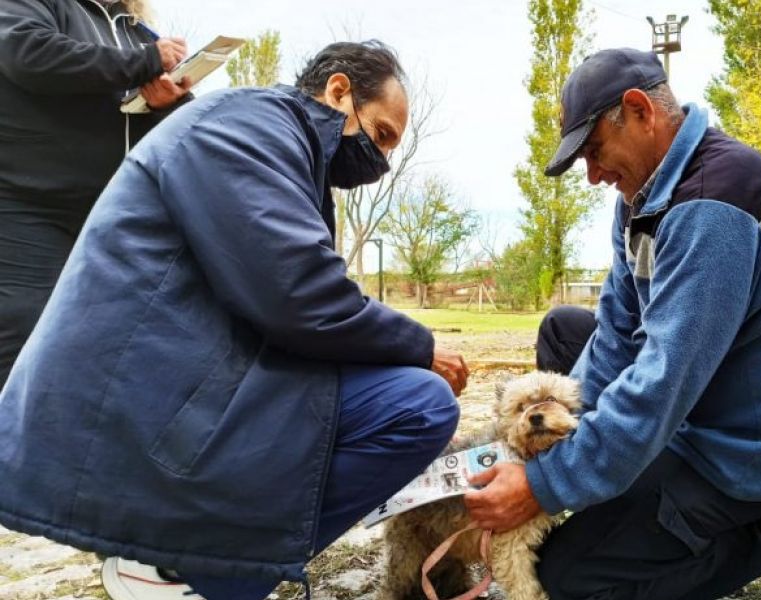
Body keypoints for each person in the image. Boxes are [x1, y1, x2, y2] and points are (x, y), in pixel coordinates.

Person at [0, 40, 469, 600]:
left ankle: (215, 560)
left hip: (184, 374)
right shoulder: (248, 130)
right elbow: (300, 296)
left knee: (401, 399)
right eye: (382, 133)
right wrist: (419, 346)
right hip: (144, 390)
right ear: (339, 92)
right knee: (418, 406)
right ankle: (193, 573)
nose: (383, 159)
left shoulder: (281, 144)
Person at [465, 48, 761, 600]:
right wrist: (553, 438)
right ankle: (625, 484)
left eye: (595, 151)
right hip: (709, 389)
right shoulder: (645, 197)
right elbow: (617, 334)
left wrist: (544, 487)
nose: (594, 176)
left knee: (565, 581)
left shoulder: (713, 207)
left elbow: (663, 382)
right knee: (566, 332)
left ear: (642, 111)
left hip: (750, 446)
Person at [0, 0, 192, 388]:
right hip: (29, 207)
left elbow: (167, 130)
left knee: (105, 343)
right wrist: (143, 61)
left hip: (112, 214)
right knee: (26, 334)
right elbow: (28, 52)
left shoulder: (134, 29)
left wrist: (168, 104)